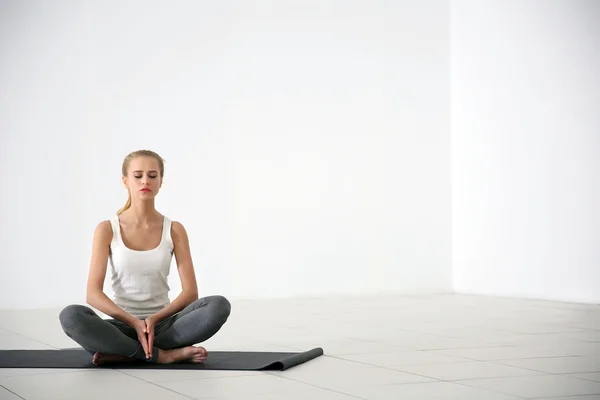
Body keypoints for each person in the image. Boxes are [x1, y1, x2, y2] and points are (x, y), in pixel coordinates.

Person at [59, 149, 231, 365]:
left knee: (218, 306)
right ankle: (162, 355)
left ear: (161, 181)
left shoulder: (174, 229)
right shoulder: (107, 229)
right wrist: (133, 322)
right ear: (125, 180)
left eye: (152, 175)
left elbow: (190, 292)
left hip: (165, 325)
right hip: (121, 326)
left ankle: (125, 352)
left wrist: (153, 319)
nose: (145, 181)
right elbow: (93, 295)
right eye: (137, 175)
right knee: (71, 316)